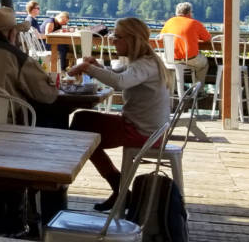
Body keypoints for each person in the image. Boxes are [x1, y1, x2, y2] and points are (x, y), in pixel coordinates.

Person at [67, 16, 171, 212]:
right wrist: (97, 67)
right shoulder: (145, 61)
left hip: (143, 132)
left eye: (117, 36)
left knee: (82, 127)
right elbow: (119, 76)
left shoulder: (144, 65)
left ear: (131, 40)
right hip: (147, 128)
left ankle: (119, 188)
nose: (113, 40)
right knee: (84, 129)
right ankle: (120, 189)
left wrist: (88, 68)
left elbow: (120, 82)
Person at [160, 1, 212, 85]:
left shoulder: (169, 22)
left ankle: (174, 89)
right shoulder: (195, 23)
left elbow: (161, 38)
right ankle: (198, 91)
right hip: (190, 59)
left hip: (172, 59)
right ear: (189, 13)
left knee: (174, 66)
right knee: (204, 64)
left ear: (177, 12)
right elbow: (208, 39)